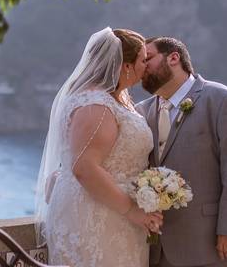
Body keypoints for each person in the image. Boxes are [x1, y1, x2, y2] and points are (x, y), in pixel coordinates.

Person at [35, 27, 164, 267]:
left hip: (113, 213)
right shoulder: (96, 105)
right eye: (143, 60)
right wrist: (132, 211)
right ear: (125, 65)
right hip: (97, 214)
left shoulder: (112, 100)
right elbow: (84, 167)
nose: (147, 66)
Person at [137, 36, 227, 267]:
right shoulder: (141, 111)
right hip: (157, 249)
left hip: (213, 245)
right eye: (140, 61)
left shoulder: (224, 100)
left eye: (148, 58)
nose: (142, 66)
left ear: (174, 57)